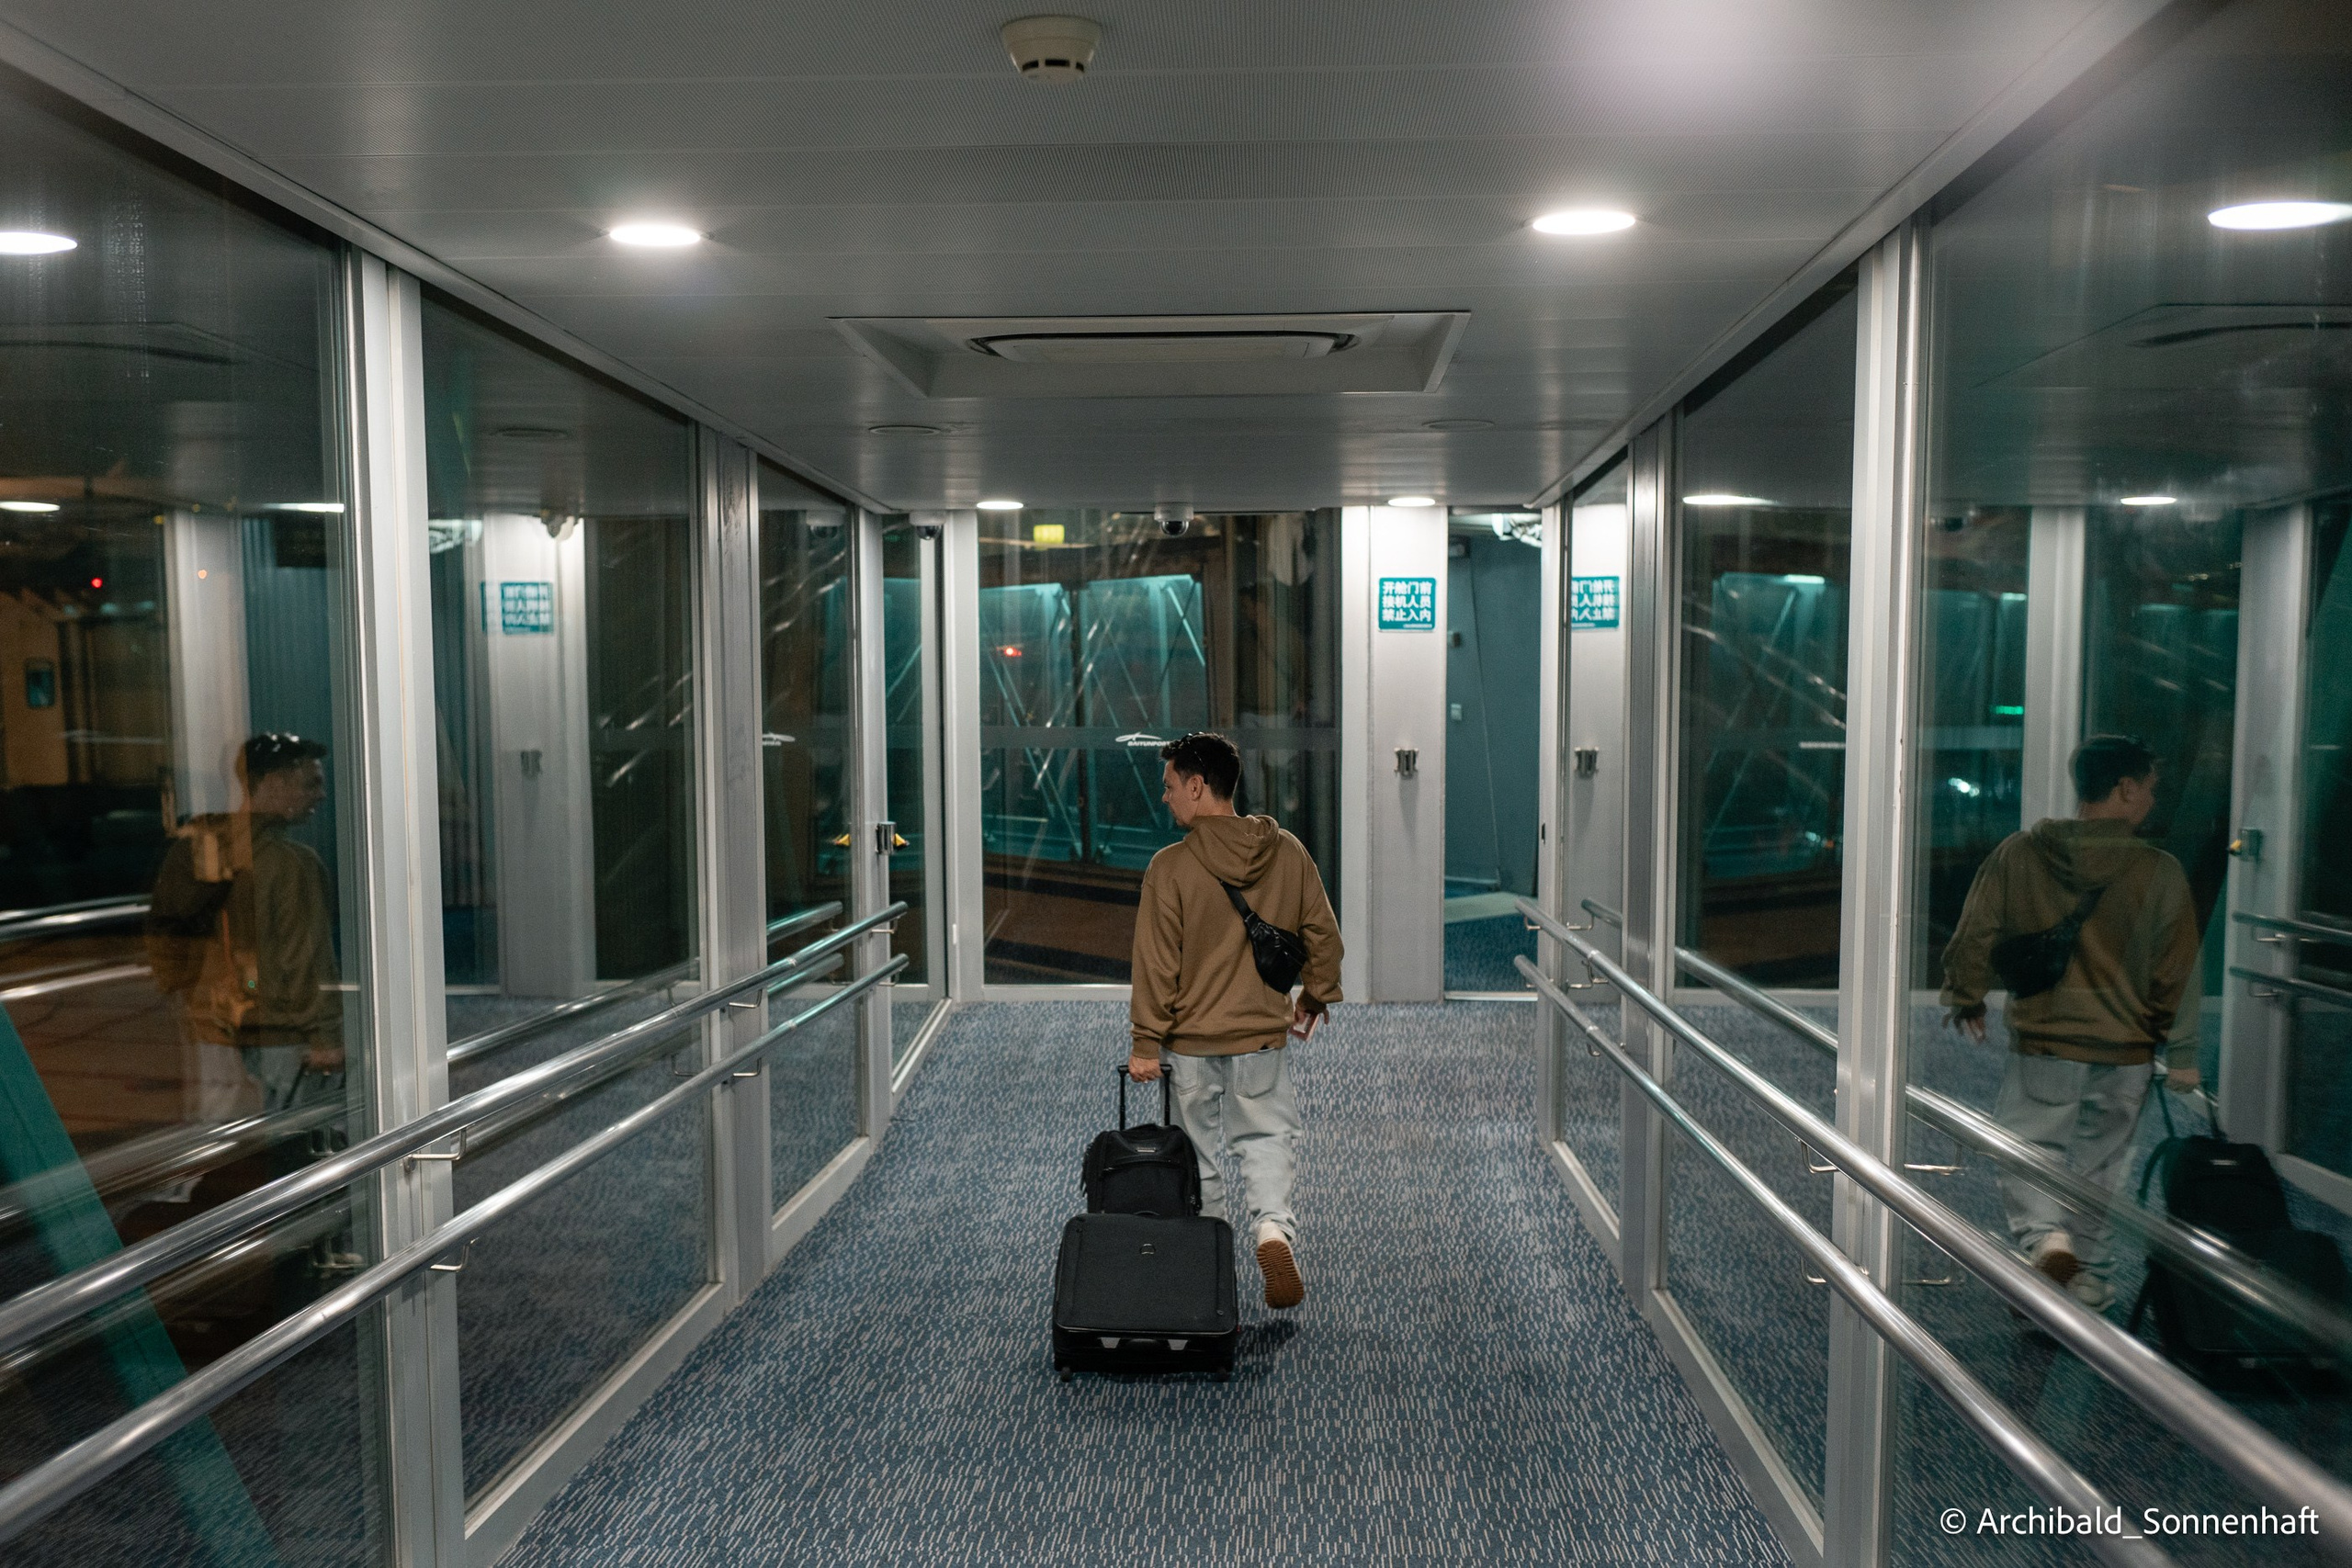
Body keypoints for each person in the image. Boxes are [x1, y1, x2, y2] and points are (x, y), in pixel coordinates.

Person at [1940, 733, 2201, 1311]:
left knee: (2029, 1148)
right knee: (2100, 1168)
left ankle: (2045, 1242)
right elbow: (2178, 968)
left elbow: (1976, 930)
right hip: (2126, 1050)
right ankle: (2086, 1282)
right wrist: (2181, 1051)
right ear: (2125, 789)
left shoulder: (2021, 854)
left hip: (2047, 1043)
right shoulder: (2158, 871)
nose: (2152, 800)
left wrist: (1967, 996)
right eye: (2150, 788)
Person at [1127, 731, 1342, 1310]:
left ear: (1198, 786)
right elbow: (1323, 935)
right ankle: (1272, 1231)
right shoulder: (1287, 851)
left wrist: (1146, 1042)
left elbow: (1156, 965)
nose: (1166, 798)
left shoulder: (1170, 867)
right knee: (1266, 1138)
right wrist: (1315, 995)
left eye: (1171, 786)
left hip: (1189, 1045)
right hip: (1260, 1039)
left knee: (1195, 1155)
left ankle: (1209, 1272)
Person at [147, 733, 345, 1120]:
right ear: (273, 783)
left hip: (213, 1028)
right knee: (295, 1134)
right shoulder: (292, 864)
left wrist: (184, 997)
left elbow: (164, 934)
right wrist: (326, 1037)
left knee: (222, 1133)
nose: (321, 795)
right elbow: (304, 961)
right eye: (311, 784)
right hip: (279, 1034)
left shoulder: (196, 847)